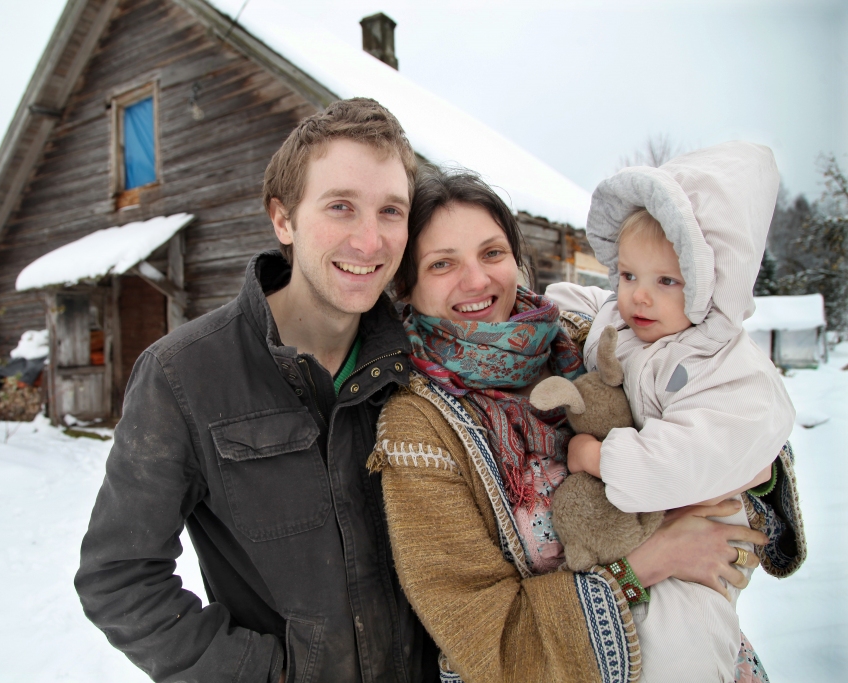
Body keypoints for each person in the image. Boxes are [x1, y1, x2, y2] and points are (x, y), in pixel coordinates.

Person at [368, 167, 804, 683]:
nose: (477, 280)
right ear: (407, 283)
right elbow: (485, 634)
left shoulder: (584, 337)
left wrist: (752, 470)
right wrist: (650, 560)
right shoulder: (418, 430)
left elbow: (720, 407)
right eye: (443, 264)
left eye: (492, 253)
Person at [75, 98, 440, 682]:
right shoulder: (184, 375)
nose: (370, 242)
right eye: (341, 207)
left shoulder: (422, 363)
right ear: (283, 219)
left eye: (390, 211)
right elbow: (119, 575)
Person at [547, 141, 801, 682]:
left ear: (713, 286)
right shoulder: (634, 320)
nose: (639, 298)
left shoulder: (727, 365)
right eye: (628, 275)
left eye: (667, 281)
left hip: (708, 531)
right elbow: (588, 305)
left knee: (680, 648)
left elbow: (685, 457)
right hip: (647, 522)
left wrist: (598, 458)